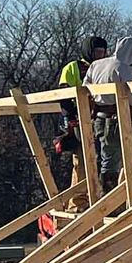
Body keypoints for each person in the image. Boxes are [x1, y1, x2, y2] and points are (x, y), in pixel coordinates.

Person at [84, 37, 132, 189]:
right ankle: (110, 196)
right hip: (116, 119)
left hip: (99, 118)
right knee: (113, 159)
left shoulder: (96, 65)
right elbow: (131, 96)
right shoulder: (123, 68)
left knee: (105, 156)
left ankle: (104, 192)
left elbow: (85, 88)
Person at [51, 35, 110, 171]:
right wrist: (70, 116)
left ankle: (98, 180)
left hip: (99, 115)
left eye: (102, 52)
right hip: (78, 116)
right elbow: (64, 94)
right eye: (97, 52)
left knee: (100, 154)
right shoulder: (74, 67)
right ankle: (83, 183)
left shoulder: (104, 67)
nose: (100, 56)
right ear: (89, 51)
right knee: (81, 159)